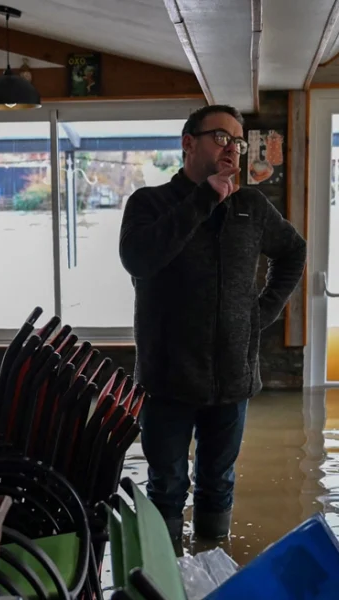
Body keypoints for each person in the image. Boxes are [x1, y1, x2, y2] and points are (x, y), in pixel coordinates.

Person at [118, 105, 307, 542]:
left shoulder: (251, 207)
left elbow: (293, 252)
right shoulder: (150, 204)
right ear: (188, 143)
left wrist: (260, 314)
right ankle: (167, 580)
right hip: (167, 377)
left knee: (218, 484)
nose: (232, 149)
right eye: (221, 137)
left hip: (231, 374)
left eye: (238, 142)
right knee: (166, 486)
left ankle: (212, 567)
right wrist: (207, 195)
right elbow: (139, 260)